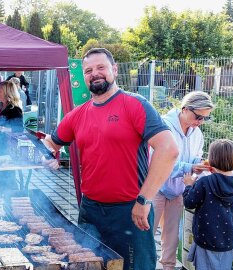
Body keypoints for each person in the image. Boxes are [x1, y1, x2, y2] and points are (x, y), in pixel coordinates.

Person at [42, 48, 179, 270]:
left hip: (131, 211)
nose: (94, 73)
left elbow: (168, 149)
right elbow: (51, 142)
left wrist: (144, 200)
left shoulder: (134, 104)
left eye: (100, 67)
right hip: (90, 211)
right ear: (84, 76)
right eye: (88, 70)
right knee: (88, 265)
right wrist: (49, 156)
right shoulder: (77, 115)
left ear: (114, 69)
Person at [152, 91, 214, 270]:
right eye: (198, 117)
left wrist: (199, 164)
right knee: (146, 234)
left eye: (205, 118)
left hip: (178, 190)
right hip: (155, 187)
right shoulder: (164, 126)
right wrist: (189, 167)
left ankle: (168, 267)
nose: (200, 122)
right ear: (185, 109)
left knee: (172, 236)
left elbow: (195, 157)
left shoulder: (197, 133)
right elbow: (160, 162)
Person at [183, 139, 233, 270]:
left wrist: (188, 185)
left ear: (212, 159)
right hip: (227, 241)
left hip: (206, 239)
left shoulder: (205, 182)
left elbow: (189, 202)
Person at [0, 81, 23, 192]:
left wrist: (1, 129)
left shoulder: (14, 109)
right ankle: (3, 199)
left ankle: (12, 199)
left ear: (6, 93)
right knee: (0, 176)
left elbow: (19, 129)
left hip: (7, 149)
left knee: (8, 178)